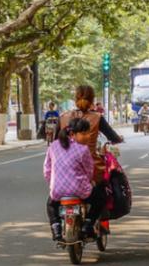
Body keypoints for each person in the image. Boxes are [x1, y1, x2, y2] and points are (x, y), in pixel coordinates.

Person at [59, 85, 124, 237]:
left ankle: (57, 225)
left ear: (75, 98)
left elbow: (57, 140)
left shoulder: (63, 117)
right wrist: (118, 139)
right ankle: (89, 223)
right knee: (102, 195)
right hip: (91, 168)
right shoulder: (97, 117)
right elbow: (112, 136)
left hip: (64, 169)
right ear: (92, 100)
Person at [44, 118, 102, 240]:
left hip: (58, 191)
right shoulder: (83, 150)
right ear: (72, 134)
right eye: (84, 133)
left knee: (51, 205)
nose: (88, 136)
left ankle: (56, 228)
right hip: (79, 190)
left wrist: (53, 183)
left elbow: (47, 170)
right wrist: (90, 181)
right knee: (100, 198)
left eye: (88, 132)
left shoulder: (53, 146)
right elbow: (89, 171)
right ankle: (88, 224)